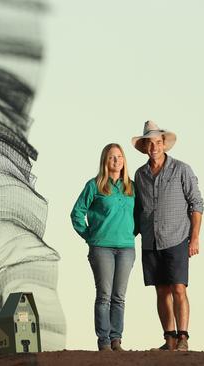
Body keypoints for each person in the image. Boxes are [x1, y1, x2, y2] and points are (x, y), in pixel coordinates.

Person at [131, 120, 204, 352]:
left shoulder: (182, 169)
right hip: (151, 241)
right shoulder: (140, 174)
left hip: (177, 238)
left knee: (179, 288)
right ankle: (169, 338)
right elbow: (137, 208)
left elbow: (197, 204)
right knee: (161, 290)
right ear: (144, 147)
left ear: (164, 145)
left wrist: (194, 238)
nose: (154, 147)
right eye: (150, 143)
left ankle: (183, 337)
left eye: (158, 142)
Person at [70, 143, 136, 352]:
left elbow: (141, 214)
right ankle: (104, 342)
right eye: (111, 157)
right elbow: (77, 213)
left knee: (119, 296)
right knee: (104, 295)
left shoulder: (131, 187)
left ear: (124, 160)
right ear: (105, 161)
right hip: (102, 248)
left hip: (126, 248)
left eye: (119, 157)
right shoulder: (94, 186)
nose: (116, 160)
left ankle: (116, 340)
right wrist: (90, 235)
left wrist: (131, 233)